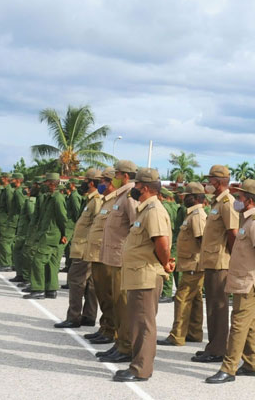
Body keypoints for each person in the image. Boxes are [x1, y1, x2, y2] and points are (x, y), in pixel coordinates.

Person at [205, 179, 255, 383]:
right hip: (242, 280)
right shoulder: (246, 220)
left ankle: (228, 368)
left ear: (249, 200)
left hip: (249, 282)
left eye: (239, 197)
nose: (236, 201)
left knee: (238, 325)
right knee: (249, 325)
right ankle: (251, 364)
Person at [114, 168, 175, 382]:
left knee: (143, 324)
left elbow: (162, 244)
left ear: (146, 188)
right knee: (138, 323)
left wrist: (164, 263)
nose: (134, 189)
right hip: (138, 275)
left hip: (146, 275)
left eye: (137, 186)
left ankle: (140, 369)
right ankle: (139, 364)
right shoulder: (145, 209)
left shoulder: (154, 211)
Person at [193, 164, 238, 364]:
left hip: (220, 262)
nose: (207, 183)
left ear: (218, 182)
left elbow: (233, 233)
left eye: (210, 180)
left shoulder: (227, 203)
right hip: (212, 261)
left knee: (218, 307)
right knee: (211, 306)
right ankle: (213, 346)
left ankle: (219, 349)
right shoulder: (217, 202)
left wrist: (233, 260)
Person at [96, 160, 139, 363]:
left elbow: (136, 228)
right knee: (117, 303)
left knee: (123, 305)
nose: (114, 178)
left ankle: (126, 346)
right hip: (114, 258)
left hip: (122, 259)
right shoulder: (120, 196)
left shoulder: (130, 197)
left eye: (117, 174)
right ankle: (119, 342)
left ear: (125, 176)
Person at [161, 182, 207, 346]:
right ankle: (194, 332)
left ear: (195, 198)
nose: (184, 199)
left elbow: (202, 241)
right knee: (195, 299)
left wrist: (199, 263)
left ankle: (177, 335)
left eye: (187, 197)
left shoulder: (197, 215)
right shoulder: (192, 214)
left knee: (182, 298)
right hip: (191, 263)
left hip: (193, 264)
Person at [56, 168, 102, 328]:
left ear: (91, 183)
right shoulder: (90, 200)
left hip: (84, 249)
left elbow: (98, 227)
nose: (82, 184)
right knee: (90, 284)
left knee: (76, 282)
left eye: (85, 181)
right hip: (84, 248)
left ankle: (73, 317)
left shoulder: (96, 201)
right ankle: (89, 316)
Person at [25, 173, 71, 300]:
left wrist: (64, 234)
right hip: (46, 234)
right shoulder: (48, 197)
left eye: (46, 182)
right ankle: (51, 289)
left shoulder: (58, 198)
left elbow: (63, 218)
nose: (43, 185)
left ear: (51, 184)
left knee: (38, 261)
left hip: (51, 235)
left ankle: (38, 289)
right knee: (51, 262)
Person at [84, 168, 117, 345]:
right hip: (97, 254)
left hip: (107, 255)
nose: (101, 183)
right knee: (101, 294)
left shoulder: (117, 202)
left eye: (104, 181)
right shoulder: (105, 201)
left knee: (109, 295)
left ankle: (112, 330)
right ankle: (104, 327)